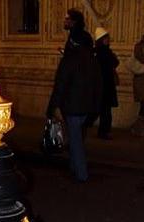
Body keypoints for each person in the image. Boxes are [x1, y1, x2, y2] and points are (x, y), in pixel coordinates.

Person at [46, 10, 101, 183]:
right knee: (76, 137)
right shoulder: (91, 60)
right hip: (85, 104)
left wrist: (52, 107)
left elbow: (61, 84)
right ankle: (74, 167)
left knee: (76, 140)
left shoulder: (69, 60)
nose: (65, 21)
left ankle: (81, 174)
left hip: (73, 104)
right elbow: (97, 84)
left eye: (68, 19)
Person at [93, 27, 119, 139]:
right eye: (106, 38)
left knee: (104, 110)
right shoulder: (104, 52)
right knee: (105, 110)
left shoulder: (98, 52)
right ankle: (103, 131)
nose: (108, 40)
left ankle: (103, 131)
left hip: (102, 84)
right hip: (105, 84)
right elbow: (115, 62)